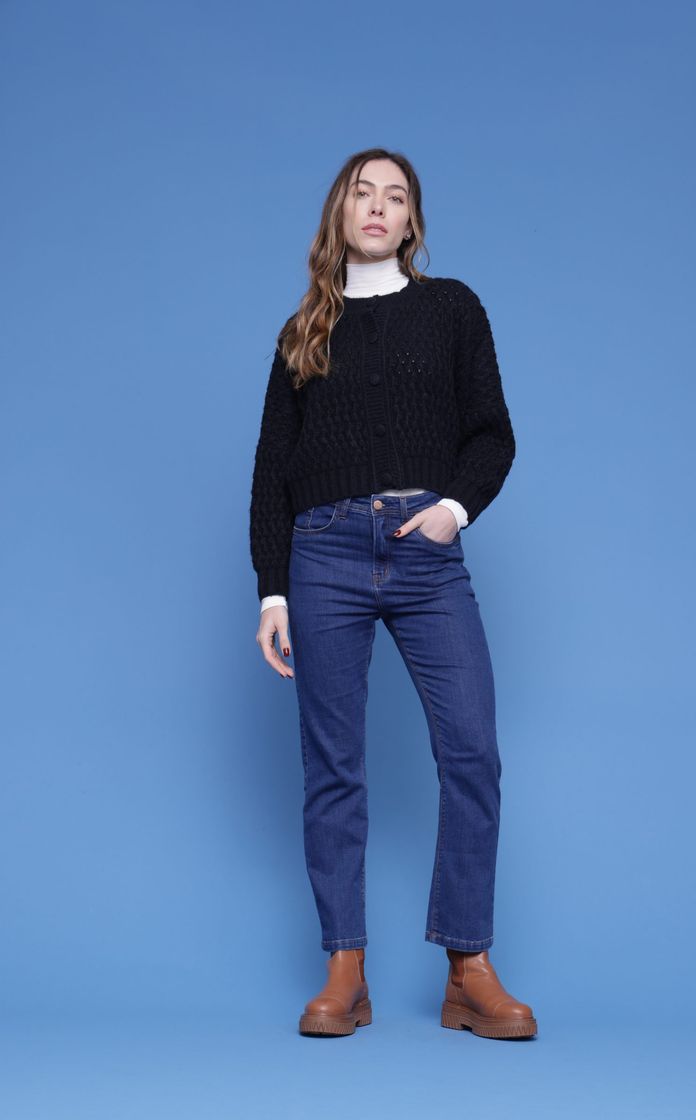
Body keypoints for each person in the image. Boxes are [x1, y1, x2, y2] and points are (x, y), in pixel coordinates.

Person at [249, 148, 537, 1040]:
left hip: (424, 551)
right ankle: (346, 969)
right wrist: (272, 593)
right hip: (323, 555)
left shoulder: (452, 308)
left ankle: (468, 969)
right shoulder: (303, 330)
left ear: (412, 221)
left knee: (472, 751)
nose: (378, 207)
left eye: (396, 196)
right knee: (333, 765)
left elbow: (492, 434)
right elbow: (271, 472)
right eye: (362, 193)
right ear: (340, 214)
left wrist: (454, 509)